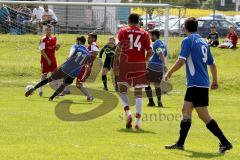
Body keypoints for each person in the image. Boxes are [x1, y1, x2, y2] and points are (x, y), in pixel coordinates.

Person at [165, 17, 232, 153]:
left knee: (204, 115)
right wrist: (214, 81)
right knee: (186, 110)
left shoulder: (187, 40)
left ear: (185, 28)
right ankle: (180, 143)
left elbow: (181, 60)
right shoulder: (203, 42)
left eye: (183, 27)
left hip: (195, 84)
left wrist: (169, 72)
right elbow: (212, 64)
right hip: (200, 84)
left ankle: (225, 142)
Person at [114, 13, 152, 129]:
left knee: (122, 90)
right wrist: (144, 61)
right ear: (138, 21)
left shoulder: (123, 31)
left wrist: (116, 63)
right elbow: (150, 51)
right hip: (139, 64)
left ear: (128, 20)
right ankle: (138, 121)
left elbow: (118, 48)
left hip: (125, 64)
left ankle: (128, 113)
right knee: (138, 92)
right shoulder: (145, 33)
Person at [25, 36, 91, 101]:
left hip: (66, 68)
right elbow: (88, 66)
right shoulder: (88, 52)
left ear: (79, 41)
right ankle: (51, 98)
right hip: (75, 72)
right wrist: (84, 75)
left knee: (49, 79)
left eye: (76, 41)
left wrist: (69, 56)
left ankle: (34, 88)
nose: (76, 42)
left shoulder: (76, 46)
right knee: (63, 85)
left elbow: (72, 51)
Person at [145, 29, 168, 107]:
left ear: (155, 36)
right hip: (160, 67)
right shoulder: (163, 44)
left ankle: (151, 102)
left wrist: (165, 65)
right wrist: (163, 65)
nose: (150, 37)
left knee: (146, 83)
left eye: (151, 36)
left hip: (153, 66)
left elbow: (160, 53)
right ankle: (159, 101)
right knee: (157, 84)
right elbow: (164, 54)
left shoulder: (156, 44)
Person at [76, 33, 99, 101]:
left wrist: (85, 51)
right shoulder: (90, 45)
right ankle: (89, 97)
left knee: (78, 84)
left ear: (94, 39)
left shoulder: (93, 44)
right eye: (88, 37)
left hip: (86, 67)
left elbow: (95, 53)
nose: (88, 39)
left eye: (89, 37)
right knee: (79, 84)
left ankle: (90, 97)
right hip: (84, 66)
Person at [39, 24, 60, 97]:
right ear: (45, 30)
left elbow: (55, 49)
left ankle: (57, 92)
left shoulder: (54, 38)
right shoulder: (43, 39)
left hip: (53, 59)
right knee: (44, 75)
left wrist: (58, 47)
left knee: (56, 74)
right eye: (47, 30)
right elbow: (42, 51)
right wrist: (47, 59)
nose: (48, 31)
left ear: (51, 30)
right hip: (45, 59)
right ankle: (41, 90)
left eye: (49, 30)